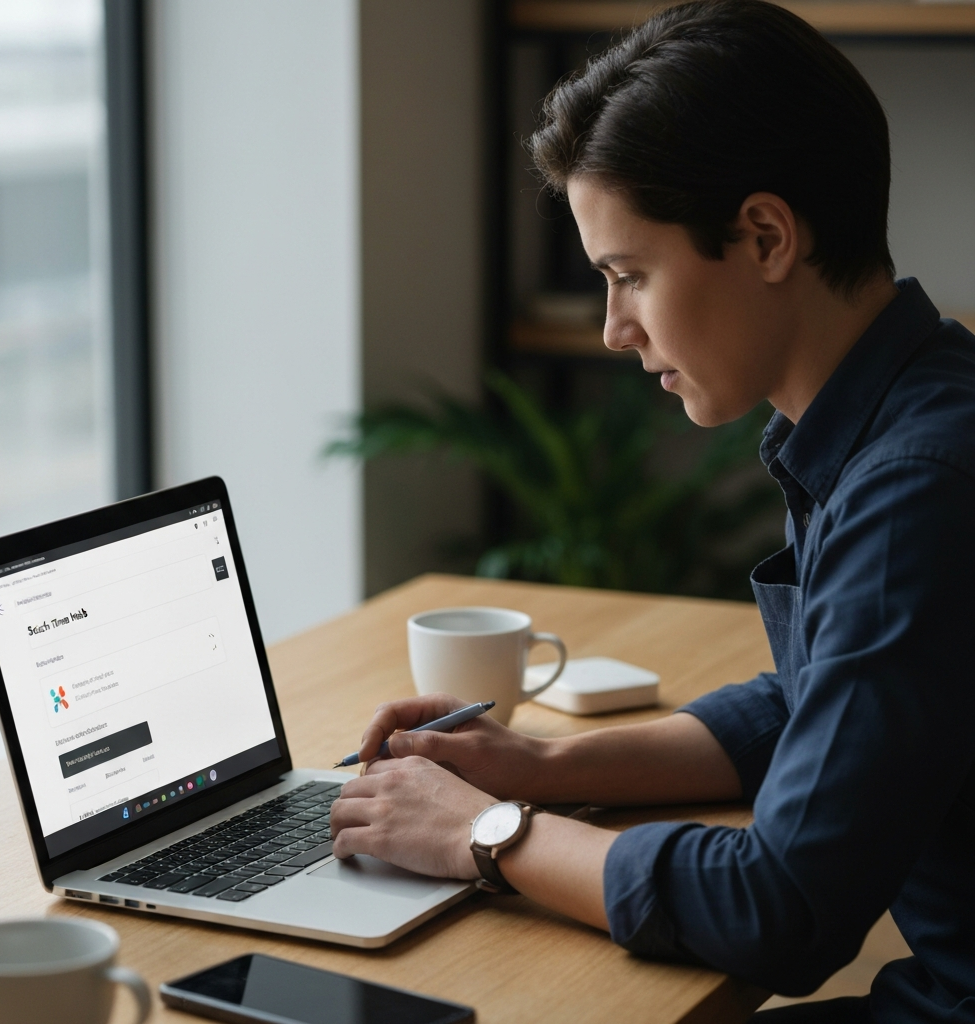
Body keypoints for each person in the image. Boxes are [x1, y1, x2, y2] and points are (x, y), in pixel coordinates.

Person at [328, 2, 975, 1020]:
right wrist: (538, 764)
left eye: (629, 274)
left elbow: (783, 905)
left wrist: (487, 836)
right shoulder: (914, 406)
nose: (612, 329)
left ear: (764, 235)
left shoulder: (919, 486)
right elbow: (823, 702)